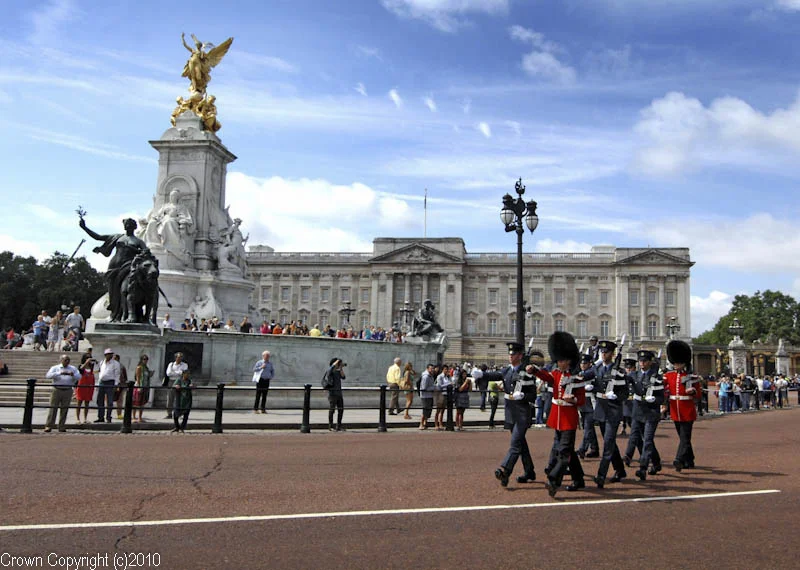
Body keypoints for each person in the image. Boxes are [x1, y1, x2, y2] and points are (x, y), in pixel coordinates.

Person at [535, 331, 586, 496]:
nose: (559, 362)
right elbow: (547, 377)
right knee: (568, 451)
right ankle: (579, 479)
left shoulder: (577, 378)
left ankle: (554, 480)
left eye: (561, 360)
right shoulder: (557, 374)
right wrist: (534, 370)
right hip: (557, 417)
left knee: (564, 452)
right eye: (558, 359)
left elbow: (581, 400)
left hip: (569, 419)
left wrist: (572, 400)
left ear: (568, 361)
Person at [79, 217, 148, 322]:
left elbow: (146, 253)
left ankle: (128, 313)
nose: (127, 226)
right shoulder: (117, 237)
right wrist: (85, 228)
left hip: (129, 266)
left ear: (134, 227)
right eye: (126, 224)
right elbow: (98, 237)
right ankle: (114, 313)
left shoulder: (138, 241)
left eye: (129, 224)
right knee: (113, 291)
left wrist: (132, 249)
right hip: (114, 266)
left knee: (126, 289)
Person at [494, 342, 537, 488]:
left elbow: (533, 395)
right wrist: (480, 375)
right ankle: (529, 471)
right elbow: (494, 375)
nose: (510, 356)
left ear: (519, 356)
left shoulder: (527, 373)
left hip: (523, 414)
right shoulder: (507, 371)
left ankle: (505, 470)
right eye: (510, 354)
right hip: (511, 412)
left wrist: (523, 395)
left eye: (513, 354)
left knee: (515, 444)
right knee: (521, 444)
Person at [591, 339, 629, 488]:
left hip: (613, 411)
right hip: (601, 410)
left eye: (606, 352)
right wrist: (591, 388)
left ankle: (601, 475)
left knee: (607, 443)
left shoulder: (619, 371)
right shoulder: (598, 369)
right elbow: (594, 384)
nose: (603, 354)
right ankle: (620, 470)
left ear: (612, 354)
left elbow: (625, 393)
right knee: (610, 443)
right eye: (602, 352)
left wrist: (616, 397)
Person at [663, 340, 702, 472]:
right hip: (675, 410)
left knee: (685, 438)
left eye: (678, 363)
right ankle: (689, 460)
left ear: (684, 363)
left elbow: (699, 395)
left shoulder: (692, 377)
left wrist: (693, 392)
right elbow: (662, 387)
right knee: (683, 438)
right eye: (675, 363)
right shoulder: (669, 376)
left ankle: (679, 459)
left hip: (687, 410)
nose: (676, 365)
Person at [627, 349, 665, 481]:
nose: (642, 363)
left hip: (651, 413)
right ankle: (656, 463)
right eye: (640, 361)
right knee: (638, 438)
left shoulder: (657, 378)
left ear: (649, 362)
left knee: (647, 440)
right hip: (638, 411)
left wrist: (655, 400)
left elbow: (662, 397)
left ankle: (643, 467)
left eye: (644, 361)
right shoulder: (634, 375)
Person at [44, 354, 81, 433]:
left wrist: (73, 375)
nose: (67, 361)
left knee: (64, 409)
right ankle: (49, 425)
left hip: (67, 390)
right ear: (61, 360)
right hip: (57, 389)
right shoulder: (55, 368)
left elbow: (79, 377)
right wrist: (59, 373)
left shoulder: (73, 368)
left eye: (68, 360)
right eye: (65, 360)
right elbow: (48, 375)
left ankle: (61, 426)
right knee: (53, 408)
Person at [576, 354, 600, 459]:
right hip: (582, 403)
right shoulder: (581, 373)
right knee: (588, 428)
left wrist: (593, 388)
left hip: (591, 403)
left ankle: (583, 449)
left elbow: (600, 386)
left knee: (588, 427)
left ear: (589, 363)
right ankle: (594, 449)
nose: (582, 365)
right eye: (581, 363)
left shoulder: (594, 372)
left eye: (585, 363)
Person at [94, 348, 120, 423]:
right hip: (102, 382)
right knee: (100, 400)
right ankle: (100, 416)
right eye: (108, 354)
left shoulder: (115, 363)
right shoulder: (102, 362)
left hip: (110, 382)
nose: (110, 355)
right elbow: (100, 373)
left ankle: (108, 417)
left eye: (111, 354)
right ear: (105, 355)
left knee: (110, 401)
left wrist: (116, 384)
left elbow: (117, 375)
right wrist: (98, 383)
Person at [324, 358, 346, 431]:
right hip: (332, 393)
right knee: (332, 410)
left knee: (341, 409)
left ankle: (338, 426)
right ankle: (331, 426)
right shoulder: (330, 371)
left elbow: (343, 377)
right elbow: (330, 369)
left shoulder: (338, 371)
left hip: (339, 393)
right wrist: (337, 361)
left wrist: (341, 368)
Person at [165, 352, 188, 419]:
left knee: (180, 398)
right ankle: (169, 413)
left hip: (180, 382)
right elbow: (168, 373)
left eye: (181, 357)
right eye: (178, 357)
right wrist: (178, 372)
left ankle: (179, 413)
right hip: (171, 382)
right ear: (175, 357)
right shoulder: (171, 364)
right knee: (170, 398)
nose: (180, 358)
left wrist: (174, 372)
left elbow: (184, 373)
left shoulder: (184, 365)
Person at [75, 355, 96, 424]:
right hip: (81, 386)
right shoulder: (81, 366)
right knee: (79, 403)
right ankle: (78, 419)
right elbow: (80, 369)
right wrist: (86, 362)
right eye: (87, 357)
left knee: (87, 403)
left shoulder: (91, 367)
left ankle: (85, 418)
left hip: (89, 387)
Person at [133, 355, 153, 423]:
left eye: (147, 359)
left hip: (145, 386)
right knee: (136, 402)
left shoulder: (146, 368)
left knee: (142, 403)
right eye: (144, 359)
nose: (145, 361)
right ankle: (133, 417)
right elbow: (138, 378)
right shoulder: (139, 367)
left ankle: (140, 417)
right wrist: (139, 387)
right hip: (139, 386)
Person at [434, 365, 452, 431]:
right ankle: (436, 424)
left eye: (447, 369)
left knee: (443, 410)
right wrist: (449, 384)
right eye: (445, 369)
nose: (446, 370)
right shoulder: (440, 376)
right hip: (440, 394)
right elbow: (440, 385)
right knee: (438, 410)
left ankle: (441, 423)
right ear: (442, 370)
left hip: (446, 394)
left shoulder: (448, 377)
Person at [418, 363, 435, 430]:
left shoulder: (431, 376)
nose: (432, 370)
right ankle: (421, 424)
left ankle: (425, 423)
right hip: (425, 396)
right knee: (425, 410)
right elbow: (424, 387)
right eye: (431, 368)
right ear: (427, 369)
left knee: (428, 410)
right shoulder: (426, 377)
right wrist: (433, 388)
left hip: (429, 395)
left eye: (433, 368)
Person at [114, 354, 129, 420]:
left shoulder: (122, 366)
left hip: (120, 384)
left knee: (119, 400)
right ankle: (108, 414)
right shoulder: (109, 366)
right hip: (112, 384)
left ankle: (119, 414)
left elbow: (125, 376)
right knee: (109, 400)